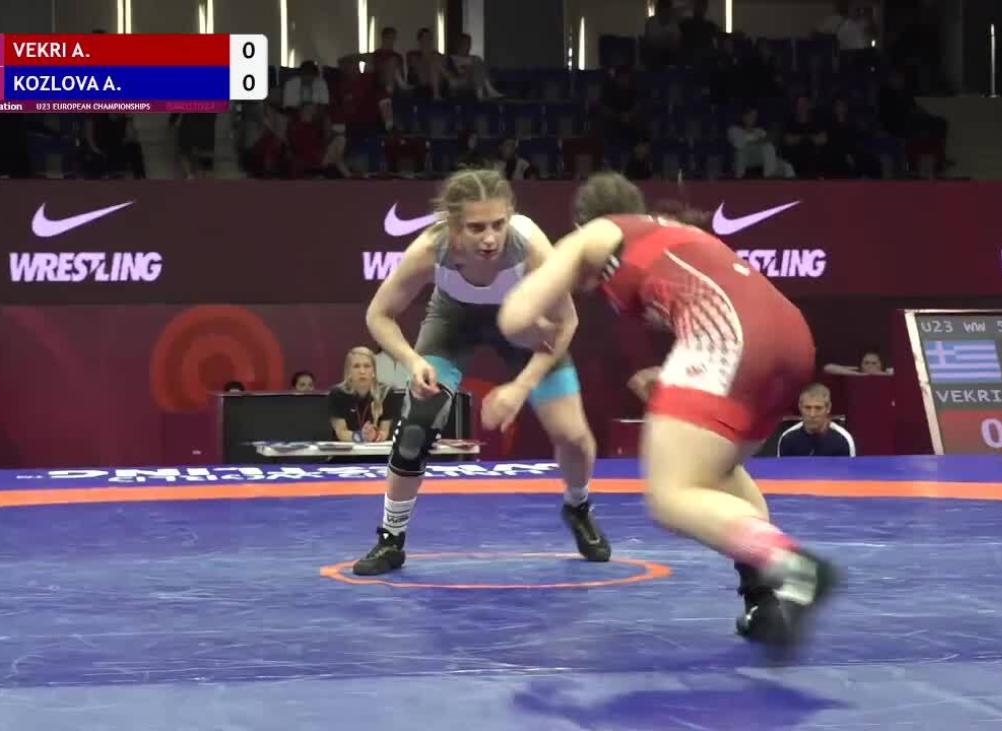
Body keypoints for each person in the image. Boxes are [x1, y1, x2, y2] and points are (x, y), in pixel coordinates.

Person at [497, 172, 840, 652]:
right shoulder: (672, 231)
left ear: (581, 221)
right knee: (717, 474)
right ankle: (763, 600)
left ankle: (794, 567)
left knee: (670, 496)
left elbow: (513, 317)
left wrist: (536, 328)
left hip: (731, 338)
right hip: (791, 337)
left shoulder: (595, 233)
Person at [353, 168, 608, 575]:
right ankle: (391, 539)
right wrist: (414, 361)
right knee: (415, 429)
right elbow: (378, 315)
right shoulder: (429, 249)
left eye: (498, 224)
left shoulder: (529, 246)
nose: (490, 238)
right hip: (453, 322)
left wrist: (521, 387)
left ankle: (578, 507)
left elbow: (567, 322)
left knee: (573, 437)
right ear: (453, 226)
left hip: (523, 322)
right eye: (476, 228)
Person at [328, 346, 402, 443]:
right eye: (356, 366)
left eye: (367, 366)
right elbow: (341, 432)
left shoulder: (385, 393)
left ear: (374, 371)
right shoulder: (338, 394)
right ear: (348, 372)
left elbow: (385, 431)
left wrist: (375, 436)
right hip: (347, 450)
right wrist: (361, 436)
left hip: (376, 449)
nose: (362, 371)